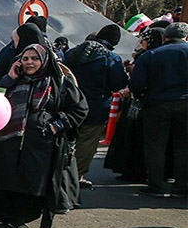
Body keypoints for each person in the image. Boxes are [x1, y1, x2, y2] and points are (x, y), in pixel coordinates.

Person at [0, 30, 89, 228]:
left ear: (44, 60)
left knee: (28, 182)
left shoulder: (58, 83)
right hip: (7, 139)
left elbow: (79, 109)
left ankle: (17, 218)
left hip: (40, 142)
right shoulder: (13, 80)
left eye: (35, 59)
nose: (29, 62)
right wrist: (9, 78)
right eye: (25, 58)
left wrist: (58, 124)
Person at [64, 24, 129, 187]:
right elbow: (118, 83)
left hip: (69, 104)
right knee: (86, 143)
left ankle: (59, 172)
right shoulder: (111, 58)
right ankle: (75, 177)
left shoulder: (74, 52)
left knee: (65, 139)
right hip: (95, 107)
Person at [128, 22, 188, 198]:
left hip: (157, 104)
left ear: (164, 37)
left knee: (155, 146)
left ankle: (156, 185)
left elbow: (136, 84)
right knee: (184, 147)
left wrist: (143, 96)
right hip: (185, 104)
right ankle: (182, 186)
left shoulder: (150, 55)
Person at [104, 28, 166, 181]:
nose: (141, 42)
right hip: (154, 103)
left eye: (145, 39)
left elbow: (138, 82)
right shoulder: (155, 55)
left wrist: (130, 88)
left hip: (140, 103)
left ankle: (135, 171)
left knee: (137, 139)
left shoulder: (148, 56)